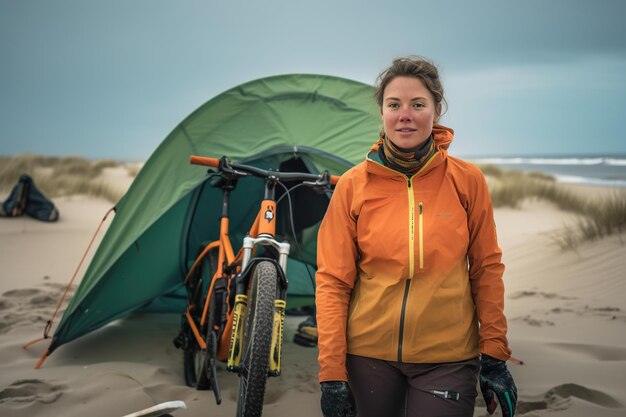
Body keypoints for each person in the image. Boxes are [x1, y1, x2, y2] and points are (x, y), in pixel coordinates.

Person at [315, 56, 517, 417]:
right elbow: (333, 281)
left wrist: (495, 354)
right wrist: (331, 373)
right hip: (367, 355)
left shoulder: (466, 180)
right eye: (394, 105)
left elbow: (486, 268)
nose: (404, 114)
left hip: (448, 357)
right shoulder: (352, 186)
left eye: (417, 104)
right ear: (382, 112)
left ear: (436, 110)